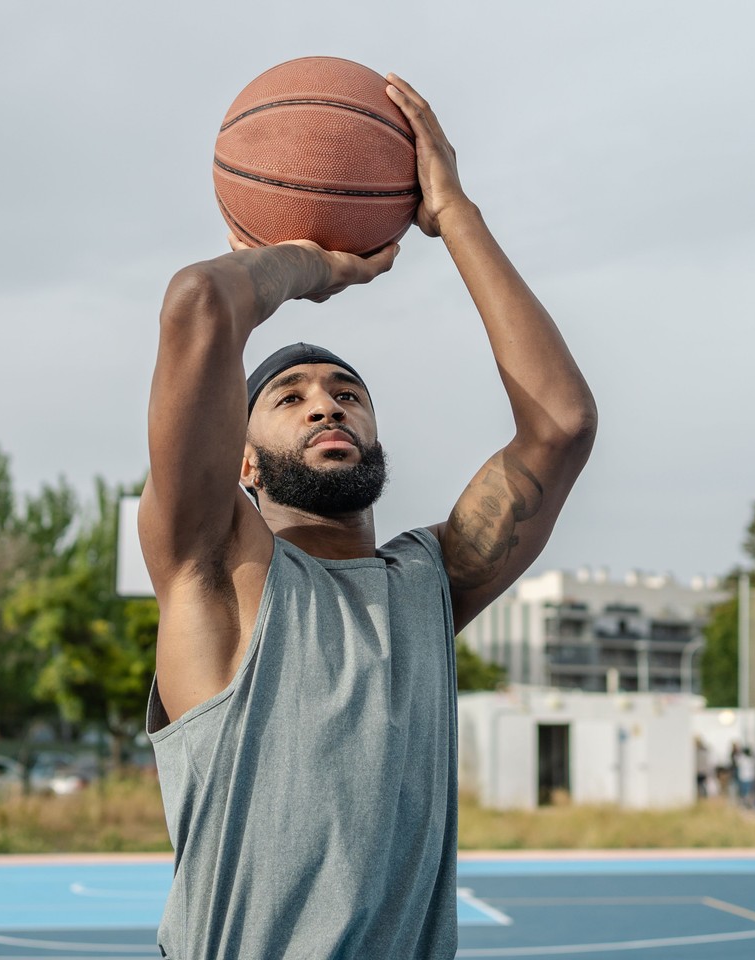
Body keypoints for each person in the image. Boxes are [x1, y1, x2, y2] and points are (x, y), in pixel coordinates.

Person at [138, 73, 598, 960]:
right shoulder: (214, 574)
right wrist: (316, 263)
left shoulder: (426, 585)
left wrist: (452, 213)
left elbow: (563, 425)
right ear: (240, 457)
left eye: (348, 392)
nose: (326, 406)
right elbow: (199, 303)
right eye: (291, 396)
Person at [732, 741, 755, 807]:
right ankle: (748, 803)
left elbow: (735, 761)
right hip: (750, 777)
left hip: (743, 777)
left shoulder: (741, 759)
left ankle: (744, 803)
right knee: (749, 792)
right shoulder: (751, 759)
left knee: (743, 792)